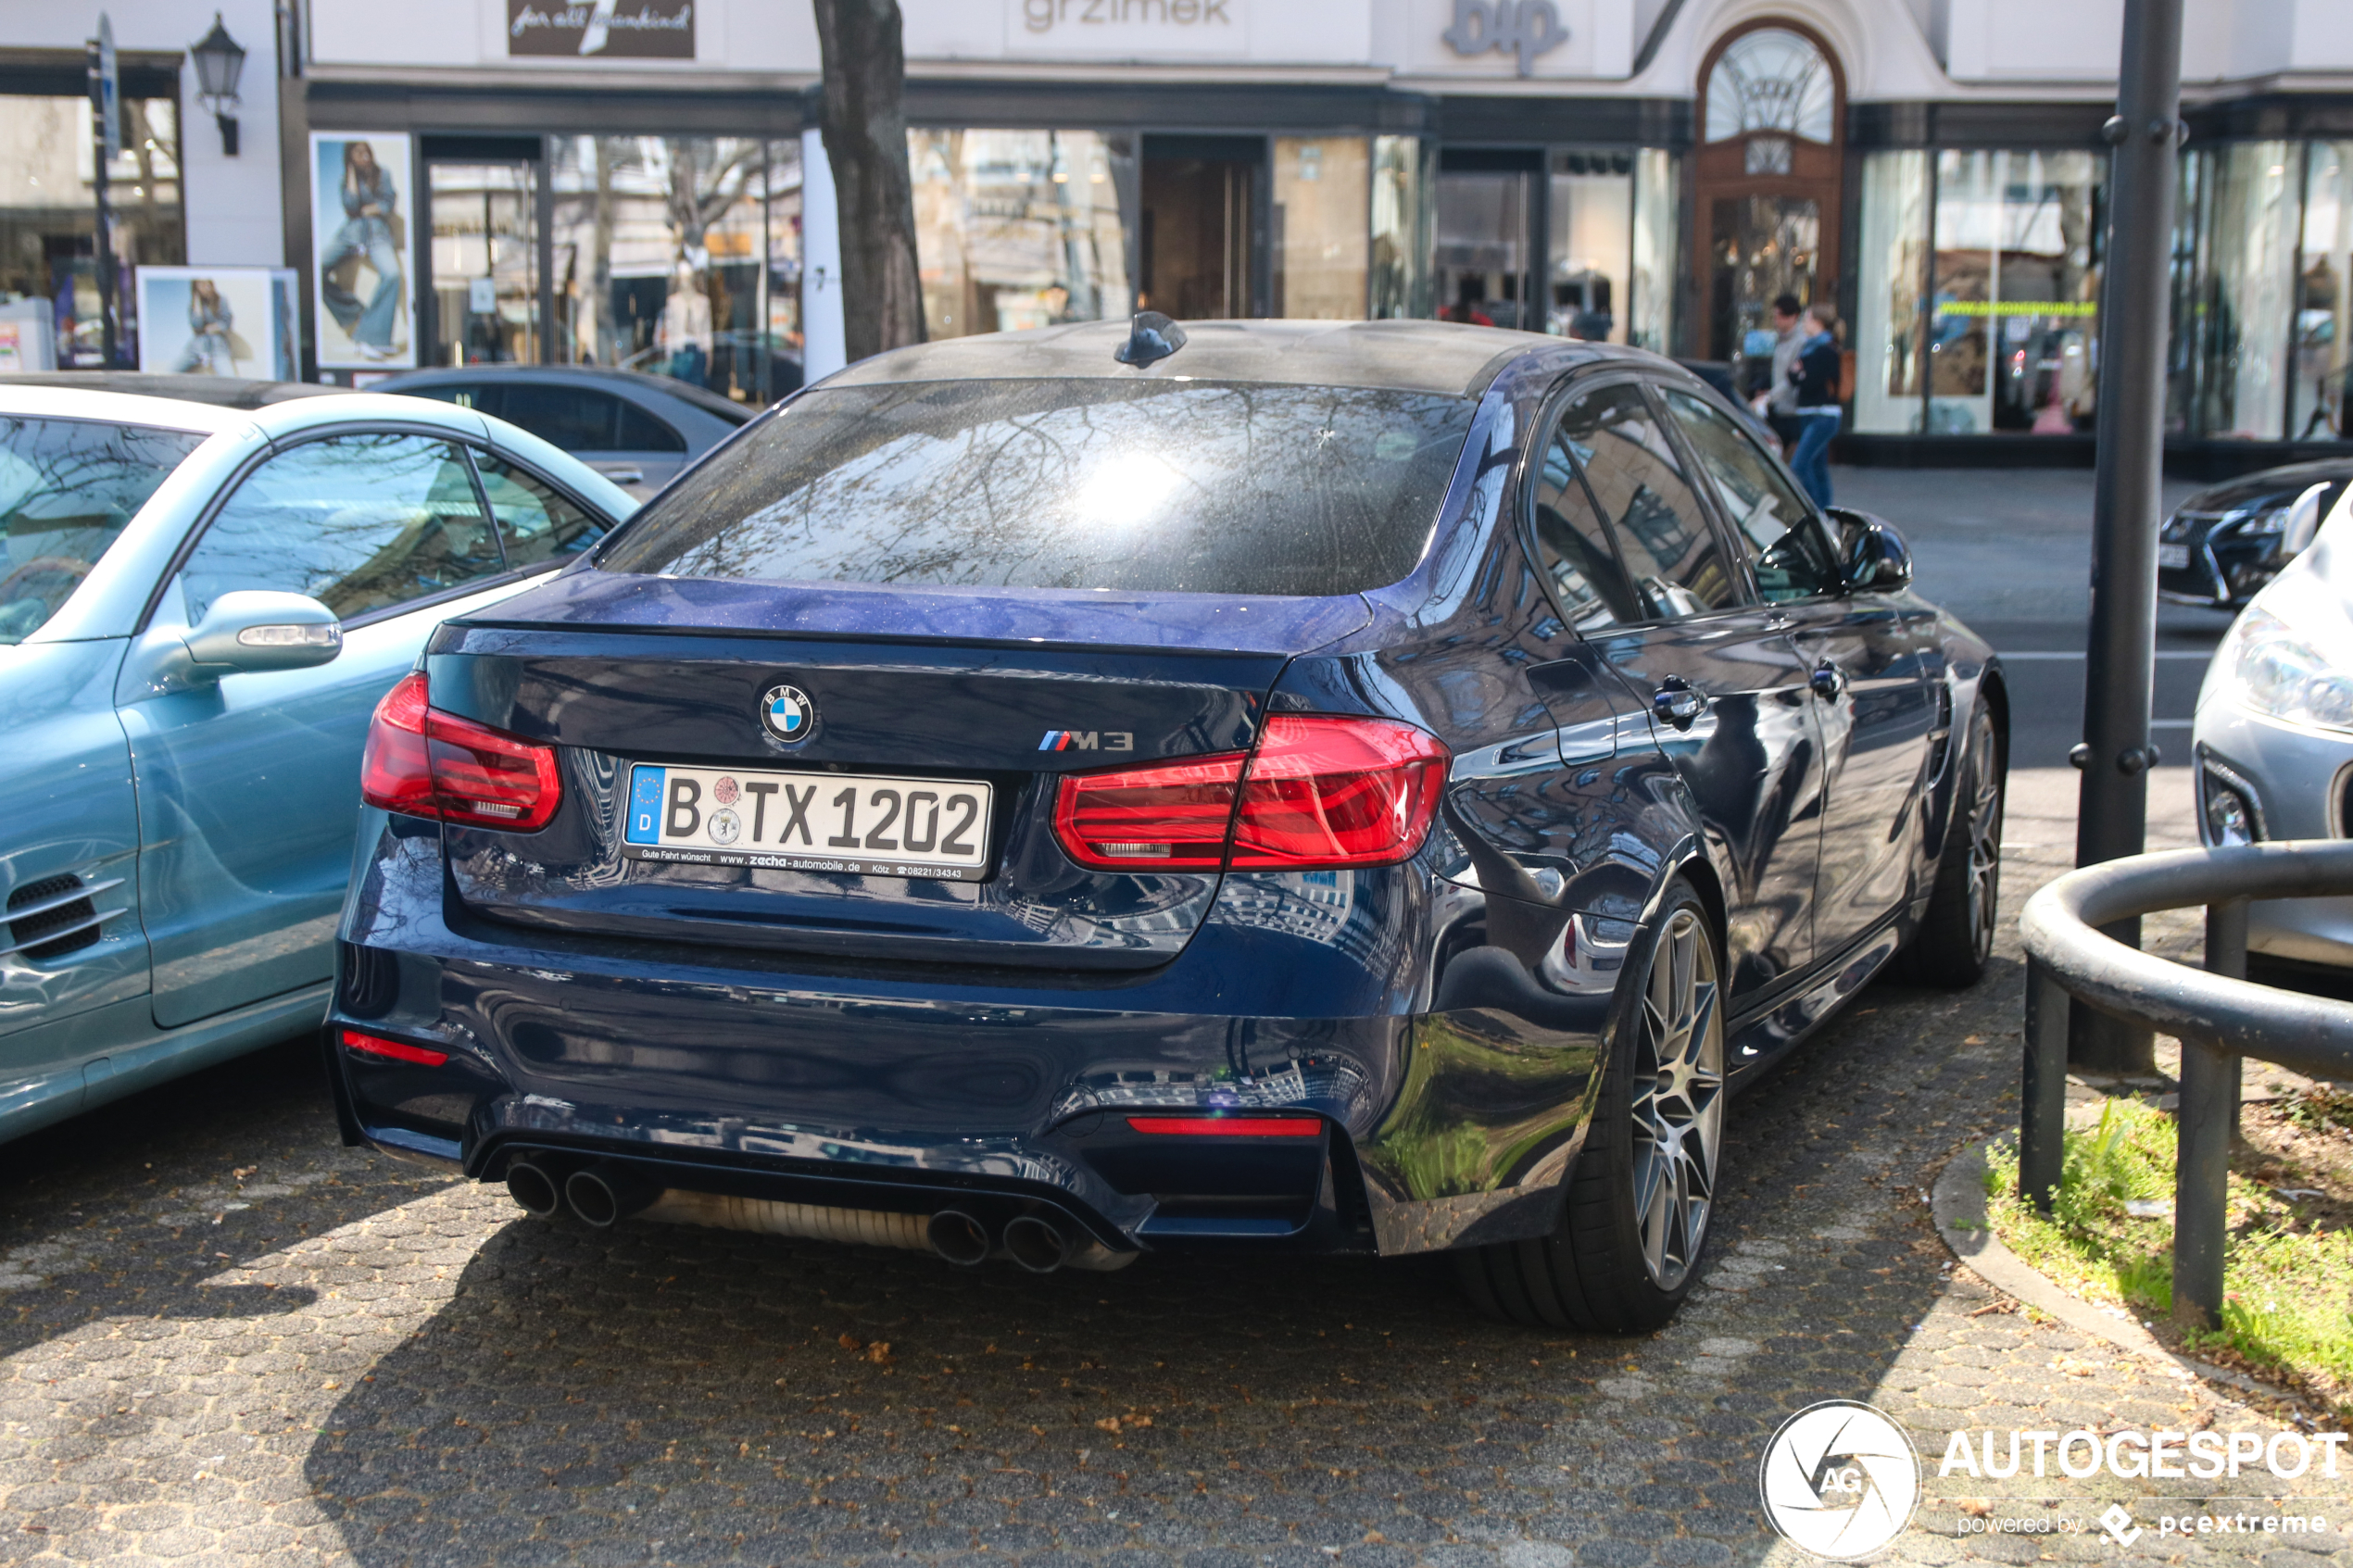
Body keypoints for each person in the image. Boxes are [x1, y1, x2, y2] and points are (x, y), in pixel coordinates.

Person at [320, 141, 404, 361]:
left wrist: (373, 208)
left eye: (367, 152)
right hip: (351, 233)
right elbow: (351, 205)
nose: (365, 156)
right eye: (358, 153)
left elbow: (388, 201)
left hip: (377, 233)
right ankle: (353, 312)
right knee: (317, 269)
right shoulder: (347, 179)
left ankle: (372, 337)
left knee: (393, 274)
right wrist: (350, 174)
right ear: (351, 157)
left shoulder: (382, 173)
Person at [1786, 303, 1842, 508]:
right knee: (1818, 467)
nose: (1803, 323)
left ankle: (1814, 508)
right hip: (1807, 412)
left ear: (1818, 322)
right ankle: (1825, 511)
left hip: (1823, 415)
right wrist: (1799, 375)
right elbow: (1792, 376)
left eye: (1807, 318)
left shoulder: (1827, 350)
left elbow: (1810, 382)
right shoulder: (1808, 348)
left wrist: (1800, 375)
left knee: (1799, 464)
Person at [1762, 294, 1804, 454]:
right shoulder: (1780, 340)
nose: (1776, 320)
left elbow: (1792, 377)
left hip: (1792, 409)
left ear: (1793, 316)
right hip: (1778, 407)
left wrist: (1770, 397)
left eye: (1779, 316)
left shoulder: (1801, 341)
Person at [173, 279, 233, 374]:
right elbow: (197, 326)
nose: (206, 287)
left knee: (229, 377)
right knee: (172, 371)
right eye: (201, 284)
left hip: (218, 347)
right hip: (197, 346)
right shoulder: (194, 304)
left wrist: (215, 327)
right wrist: (197, 304)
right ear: (196, 287)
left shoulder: (221, 299)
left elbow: (226, 323)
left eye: (208, 284)